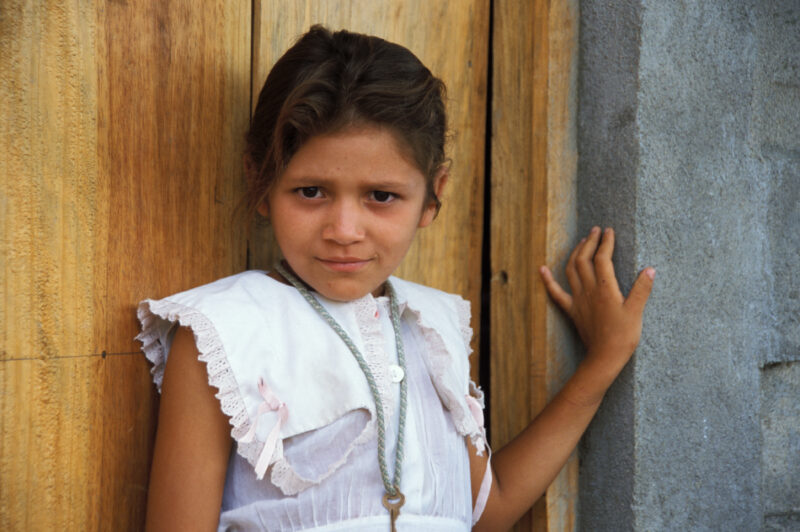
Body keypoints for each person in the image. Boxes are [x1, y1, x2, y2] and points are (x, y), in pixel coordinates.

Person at [137, 25, 655, 532]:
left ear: (433, 195)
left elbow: (487, 510)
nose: (343, 231)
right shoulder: (223, 334)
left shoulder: (432, 329)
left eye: (381, 196)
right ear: (262, 183)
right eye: (311, 191)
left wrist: (602, 363)